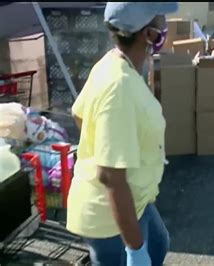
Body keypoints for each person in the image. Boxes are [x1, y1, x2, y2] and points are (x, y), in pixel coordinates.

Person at [67, 2, 178, 266]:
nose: (165, 24)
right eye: (161, 19)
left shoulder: (114, 62)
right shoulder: (119, 86)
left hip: (137, 199)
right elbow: (111, 178)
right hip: (111, 215)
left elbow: (78, 113)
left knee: (160, 244)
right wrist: (135, 249)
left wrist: (105, 144)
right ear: (148, 33)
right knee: (146, 253)